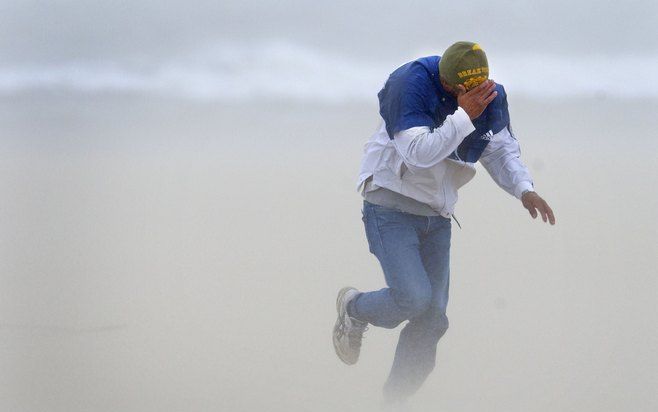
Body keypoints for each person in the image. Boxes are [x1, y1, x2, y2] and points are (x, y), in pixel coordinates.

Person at [332, 41, 555, 405]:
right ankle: (354, 309)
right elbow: (418, 156)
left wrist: (524, 189)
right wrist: (463, 115)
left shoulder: (489, 95)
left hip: (437, 215)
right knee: (413, 298)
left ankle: (393, 401)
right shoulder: (411, 84)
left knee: (433, 319)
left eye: (477, 88)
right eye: (458, 91)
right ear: (445, 82)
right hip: (389, 204)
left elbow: (499, 149)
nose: (469, 95)